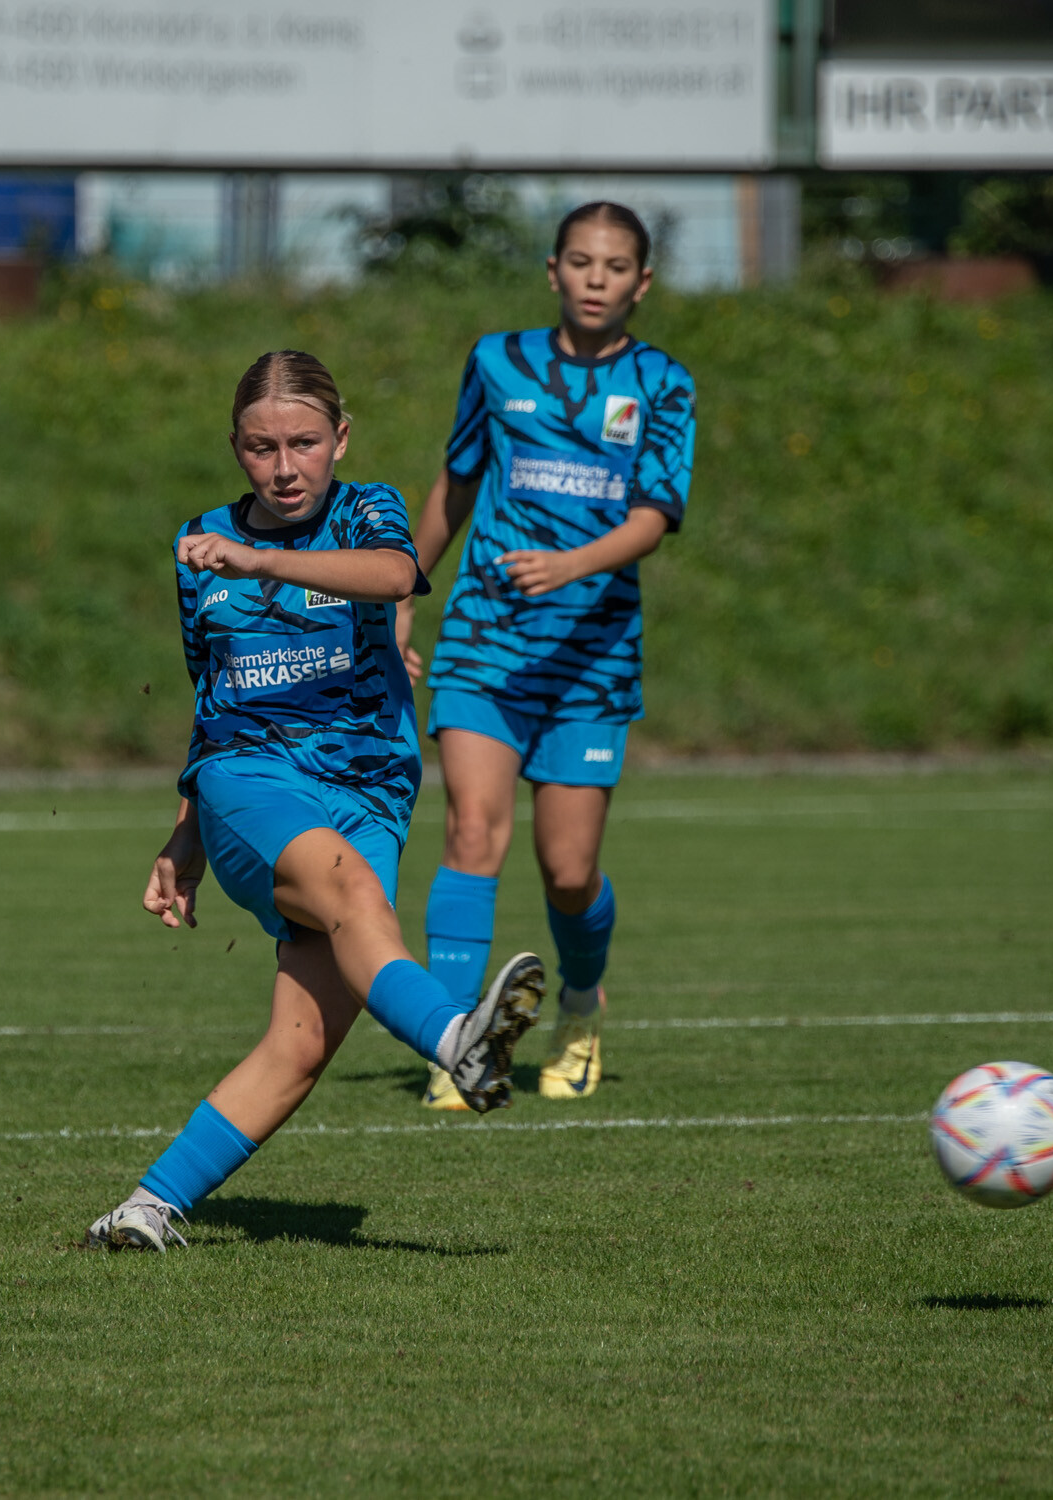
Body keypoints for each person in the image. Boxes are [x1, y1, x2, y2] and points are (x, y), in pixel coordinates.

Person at [84, 350, 546, 1253]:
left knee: (303, 1041)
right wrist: (185, 837)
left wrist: (264, 560)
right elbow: (211, 698)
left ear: (341, 438)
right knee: (349, 891)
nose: (285, 467)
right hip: (250, 778)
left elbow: (396, 576)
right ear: (236, 447)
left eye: (303, 443)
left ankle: (143, 1208)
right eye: (262, 448)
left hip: (368, 791)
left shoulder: (368, 511)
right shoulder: (199, 544)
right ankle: (457, 1041)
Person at [401, 202, 695, 1110]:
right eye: (581, 261)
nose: (596, 278)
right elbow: (455, 483)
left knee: (568, 872)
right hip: (486, 640)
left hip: (591, 658)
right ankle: (454, 1045)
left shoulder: (662, 382)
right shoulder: (497, 362)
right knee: (470, 831)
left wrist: (569, 565)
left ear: (642, 282)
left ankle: (579, 1006)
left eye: (616, 266)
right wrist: (402, 594)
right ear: (553, 270)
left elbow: (653, 517)